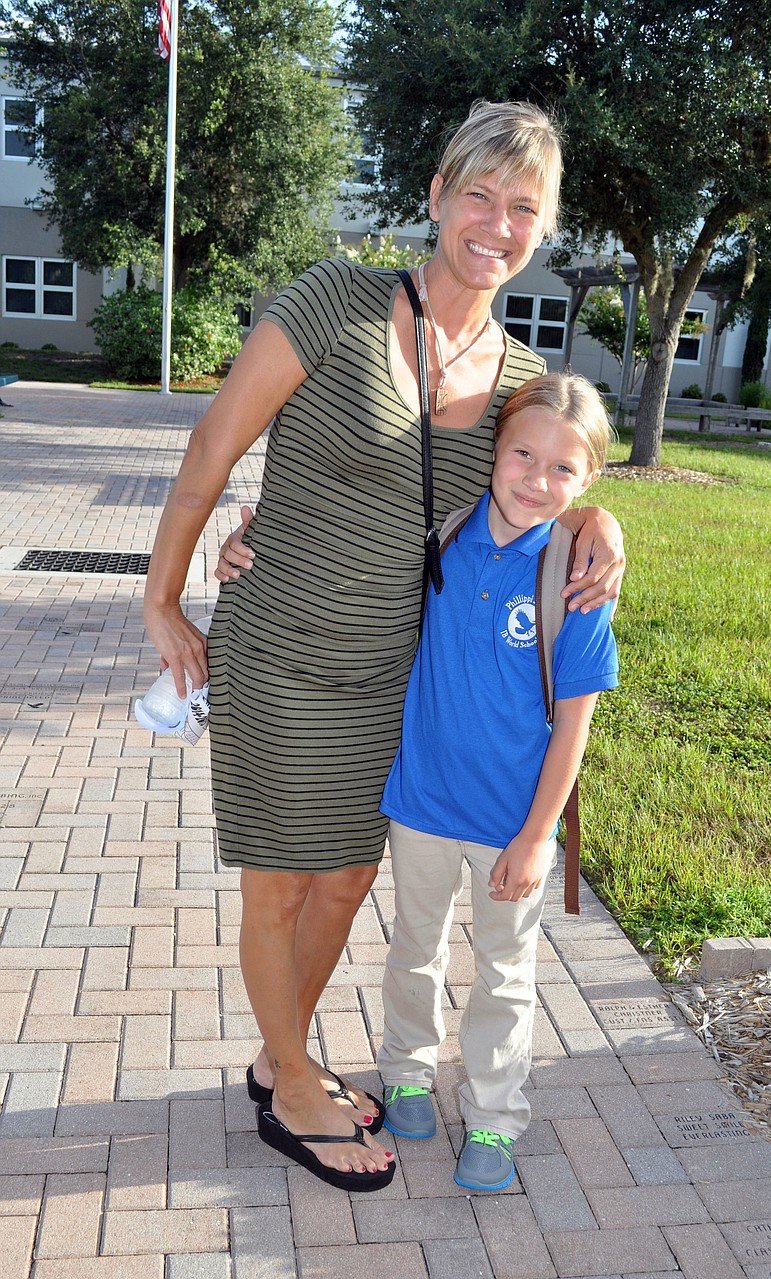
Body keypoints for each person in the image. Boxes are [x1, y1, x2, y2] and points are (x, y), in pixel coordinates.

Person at [143, 99, 625, 1193]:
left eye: (522, 208)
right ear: (436, 197)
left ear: (540, 231)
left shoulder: (513, 379)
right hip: (276, 647)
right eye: (478, 195)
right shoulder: (337, 302)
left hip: (392, 673)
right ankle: (297, 1090)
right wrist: (162, 597)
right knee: (278, 884)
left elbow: (545, 488)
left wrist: (604, 523)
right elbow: (214, 447)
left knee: (349, 878)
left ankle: (281, 1054)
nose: (495, 223)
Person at [377, 371, 618, 1191]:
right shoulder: (440, 538)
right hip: (420, 803)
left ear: (588, 482)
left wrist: (536, 835)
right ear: (495, 451)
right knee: (414, 947)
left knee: (505, 975)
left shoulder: (576, 582)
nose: (537, 479)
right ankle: (406, 1071)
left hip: (509, 825)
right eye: (523, 453)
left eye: (563, 469)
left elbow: (575, 724)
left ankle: (492, 1114)